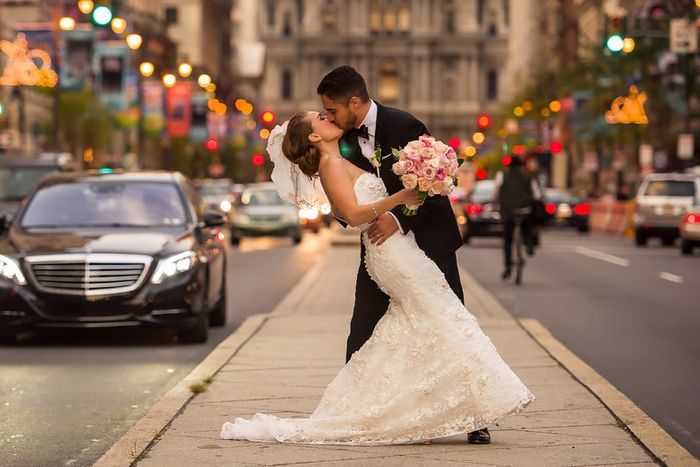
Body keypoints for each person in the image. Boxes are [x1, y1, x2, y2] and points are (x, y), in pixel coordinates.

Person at [219, 110, 534, 445]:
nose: (327, 117)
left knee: (424, 322)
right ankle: (471, 404)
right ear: (314, 137)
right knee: (443, 316)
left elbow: (352, 204)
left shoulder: (341, 156)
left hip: (400, 246)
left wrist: (417, 182)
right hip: (390, 252)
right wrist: (401, 197)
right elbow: (352, 214)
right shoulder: (331, 165)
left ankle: (423, 408)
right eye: (320, 118)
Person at [317, 66, 488, 444]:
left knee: (451, 322)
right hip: (380, 249)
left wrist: (397, 217)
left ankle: (475, 416)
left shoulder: (405, 125)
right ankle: (350, 411)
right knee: (362, 326)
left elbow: (434, 182)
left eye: (332, 110)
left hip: (428, 242)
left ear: (355, 103)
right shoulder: (341, 141)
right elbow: (347, 194)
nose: (329, 117)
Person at [494, 156, 541, 280]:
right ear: (521, 165)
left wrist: (496, 204)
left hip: (508, 211)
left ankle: (508, 267)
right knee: (528, 224)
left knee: (508, 239)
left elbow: (496, 192)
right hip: (525, 211)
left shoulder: (502, 175)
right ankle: (529, 242)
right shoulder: (528, 177)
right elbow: (537, 195)